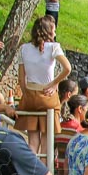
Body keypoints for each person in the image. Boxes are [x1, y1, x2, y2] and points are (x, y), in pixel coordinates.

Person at [15, 15, 72, 154]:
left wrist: (27, 93)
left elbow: (22, 79)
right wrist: (53, 84)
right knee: (47, 141)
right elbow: (67, 68)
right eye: (54, 30)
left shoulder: (24, 48)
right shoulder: (53, 47)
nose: (55, 33)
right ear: (48, 31)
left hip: (30, 97)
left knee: (33, 142)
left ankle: (30, 172)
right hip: (47, 97)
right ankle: (45, 172)